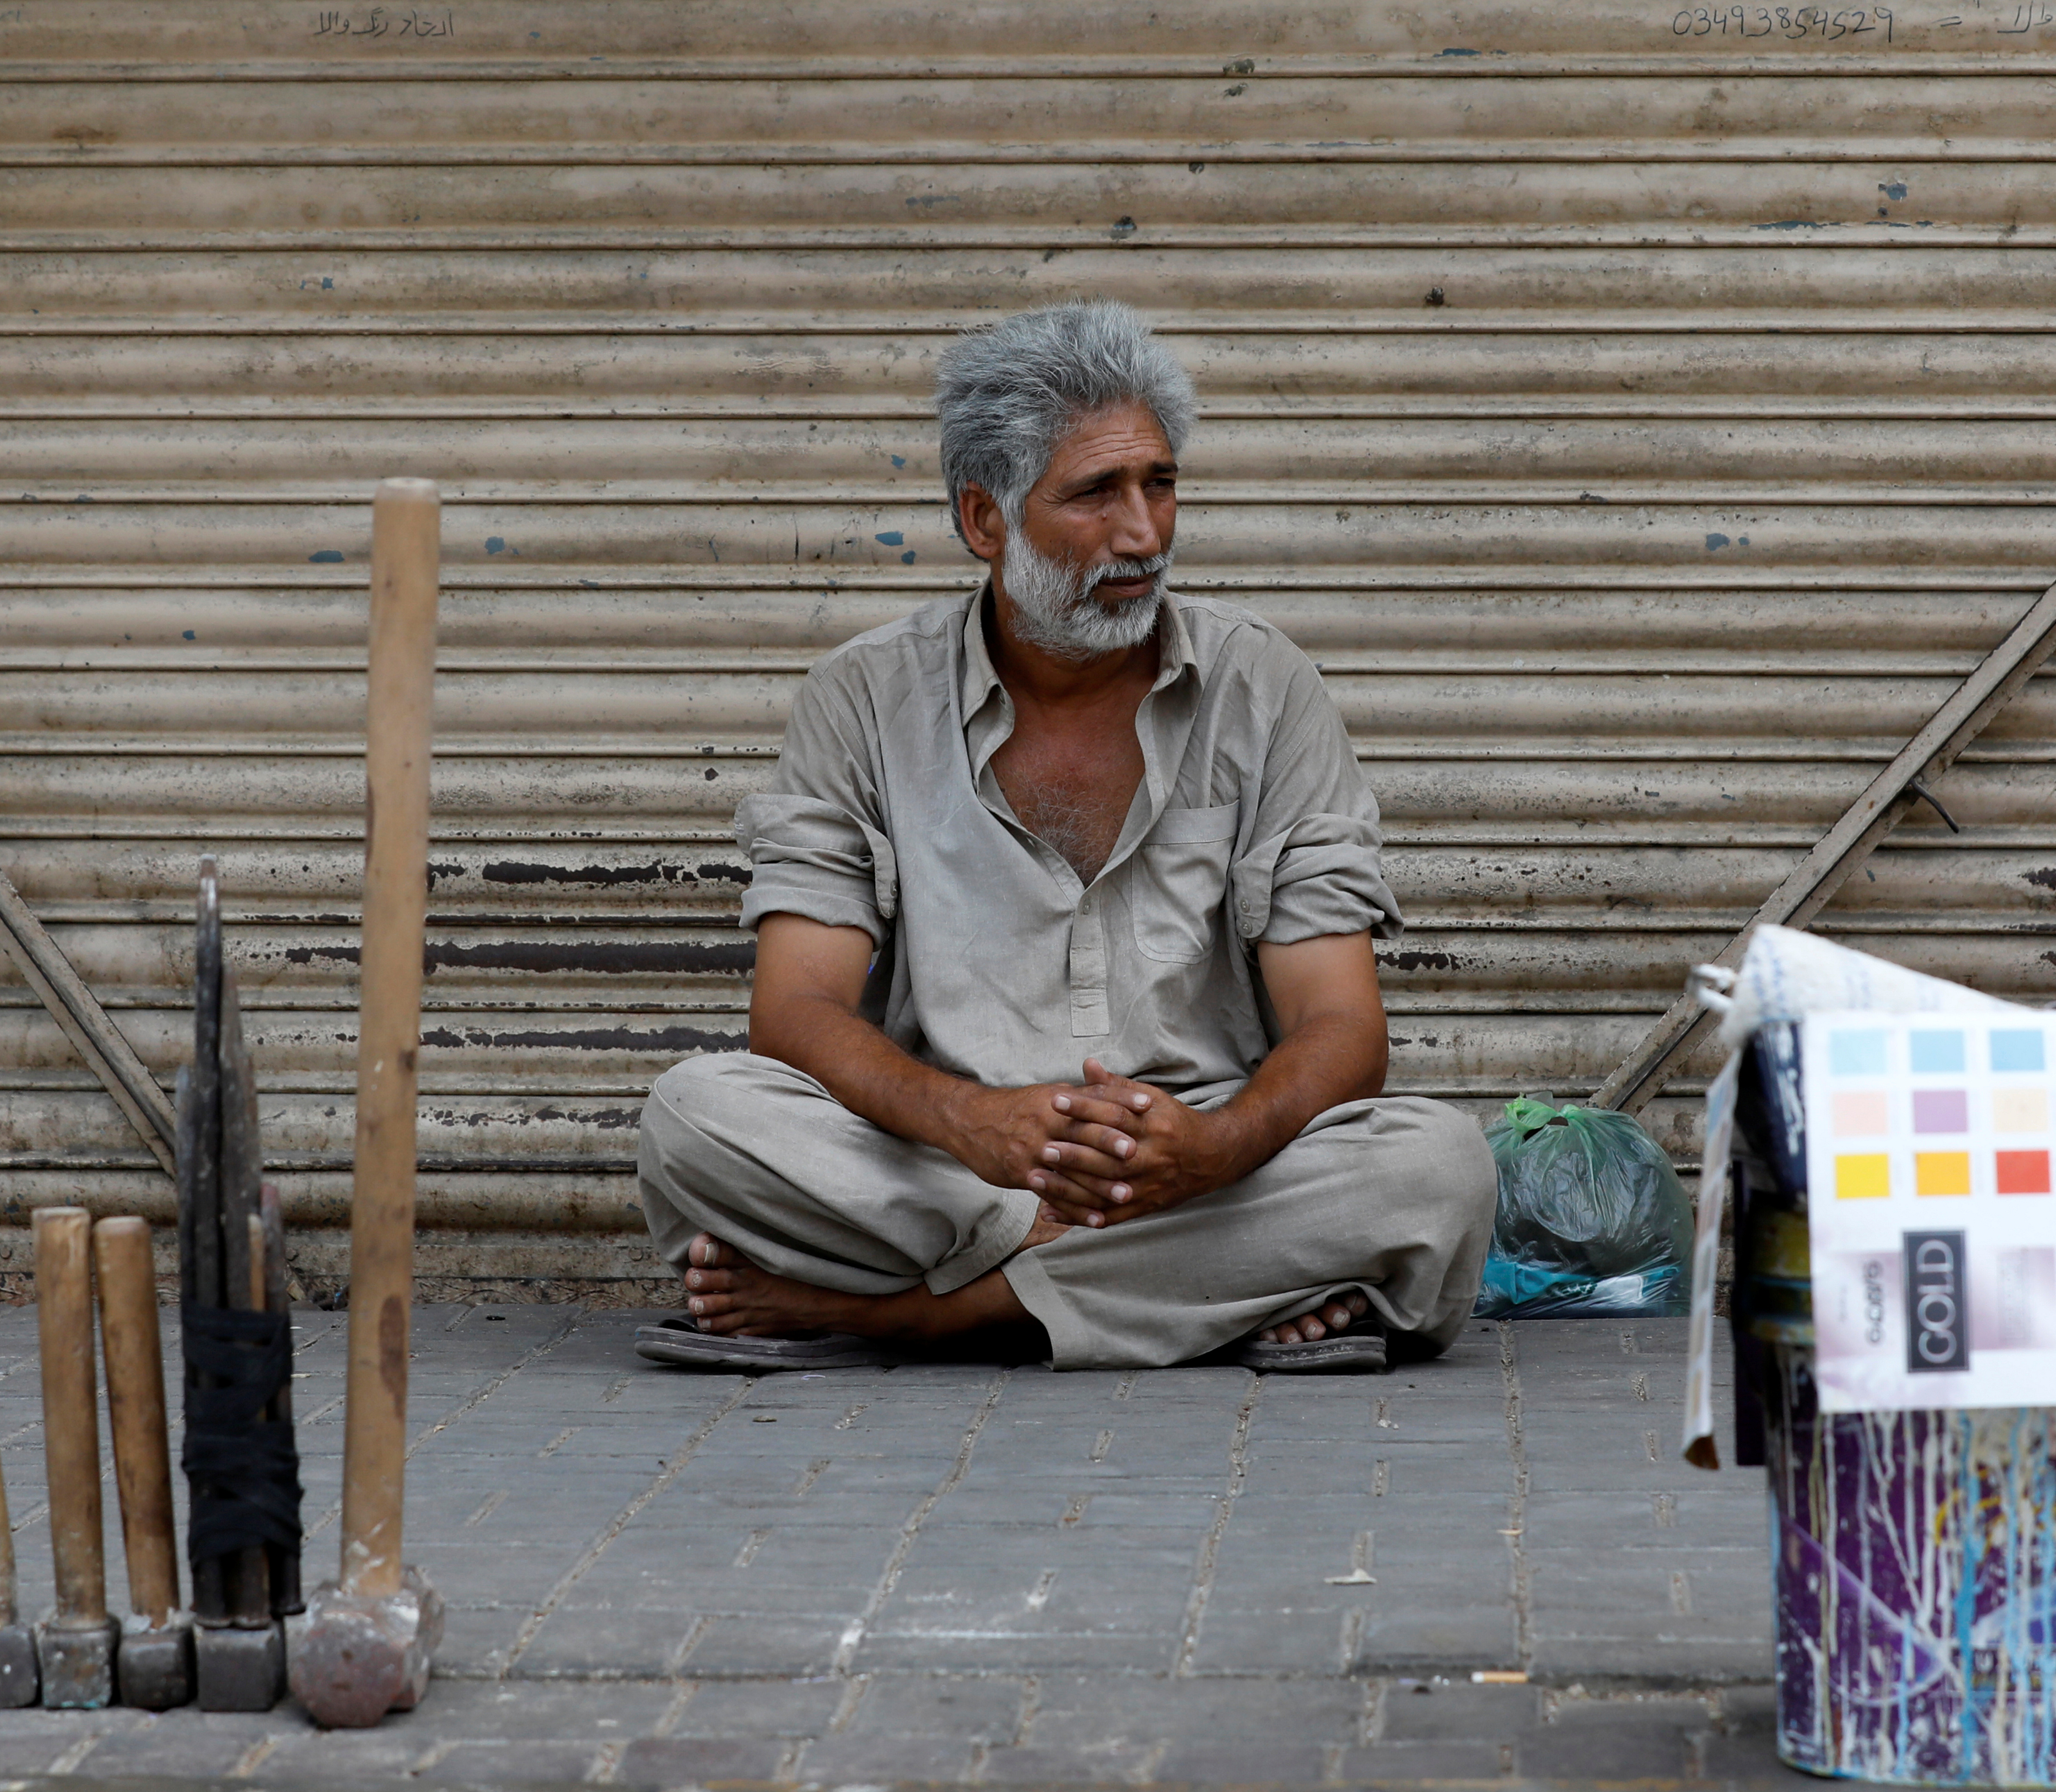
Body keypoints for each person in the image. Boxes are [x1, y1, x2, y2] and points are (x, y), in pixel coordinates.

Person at [633, 300, 1495, 1374]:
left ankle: (918, 1316)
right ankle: (1209, 1294)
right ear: (985, 521)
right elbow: (796, 1009)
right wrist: (971, 1122)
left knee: (1439, 1167)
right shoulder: (862, 698)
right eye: (1096, 493)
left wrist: (1217, 1148)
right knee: (693, 1118)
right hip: (951, 1160)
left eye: (1160, 484)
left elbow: (1340, 1022)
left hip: (1195, 1160)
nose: (1144, 534)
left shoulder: (1265, 687)